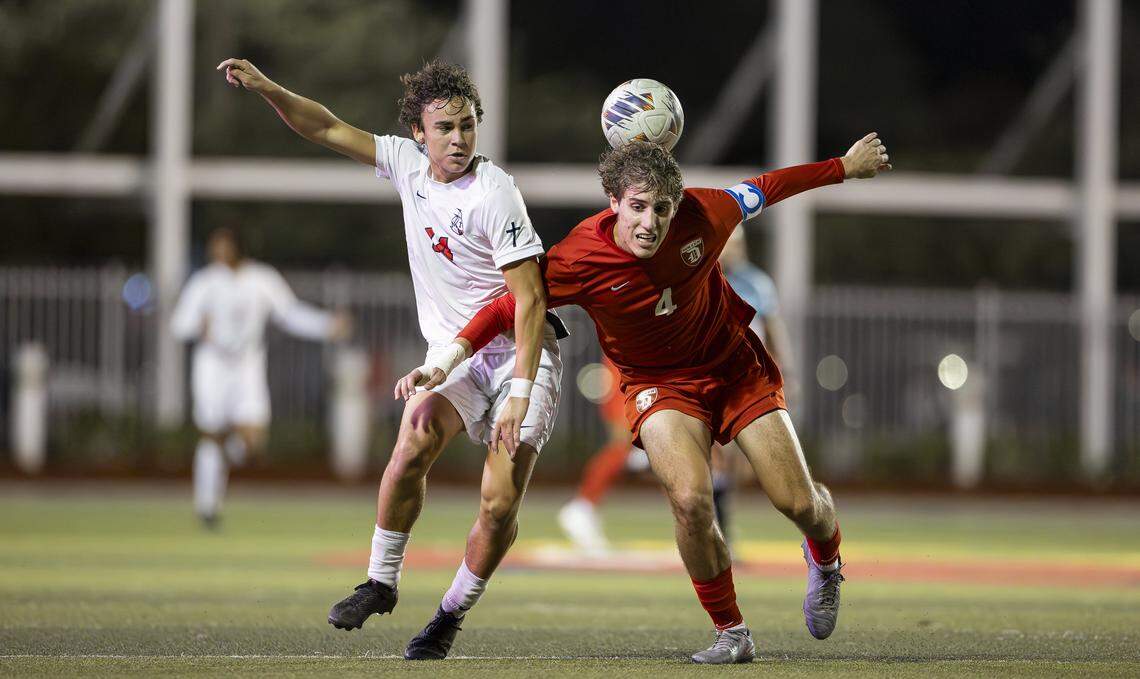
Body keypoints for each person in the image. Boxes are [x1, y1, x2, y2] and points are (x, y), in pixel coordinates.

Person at [400, 133, 891, 663]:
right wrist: (446, 361)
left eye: (661, 208)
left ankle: (826, 558)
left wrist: (844, 166)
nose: (649, 222)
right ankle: (732, 632)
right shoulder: (580, 254)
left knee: (797, 502)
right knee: (690, 500)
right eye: (637, 207)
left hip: (733, 369)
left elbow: (769, 187)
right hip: (658, 387)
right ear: (614, 203)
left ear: (677, 205)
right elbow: (510, 307)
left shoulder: (708, 212)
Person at [217, 57, 564, 660]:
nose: (458, 139)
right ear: (419, 135)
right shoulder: (406, 167)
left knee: (498, 503)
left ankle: (449, 617)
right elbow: (324, 128)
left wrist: (519, 394)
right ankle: (380, 581)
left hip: (518, 357)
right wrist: (270, 88)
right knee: (414, 438)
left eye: (468, 126)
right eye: (445, 128)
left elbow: (529, 302)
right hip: (452, 358)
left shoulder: (495, 191)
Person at [557, 229, 793, 553]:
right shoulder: (679, 272)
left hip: (699, 374)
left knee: (710, 459)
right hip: (640, 365)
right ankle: (584, 507)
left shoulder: (750, 282)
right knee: (633, 441)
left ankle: (706, 527)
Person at [171, 227, 351, 528]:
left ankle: (224, 463)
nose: (219, 251)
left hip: (247, 367)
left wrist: (326, 326)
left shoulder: (261, 279)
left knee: (252, 441)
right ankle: (207, 508)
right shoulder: (204, 282)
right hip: (212, 366)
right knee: (211, 434)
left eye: (224, 245)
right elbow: (180, 325)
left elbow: (290, 314)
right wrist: (197, 326)